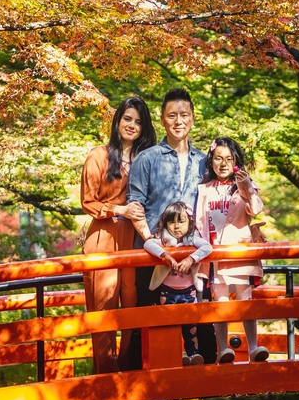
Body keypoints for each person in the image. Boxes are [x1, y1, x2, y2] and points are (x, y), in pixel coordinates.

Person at [124, 88, 208, 367]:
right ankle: (140, 382)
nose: (178, 121)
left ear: (192, 118)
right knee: (148, 322)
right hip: (153, 255)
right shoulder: (147, 158)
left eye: (184, 115)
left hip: (191, 257)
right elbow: (135, 204)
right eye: (172, 115)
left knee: (198, 324)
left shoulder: (204, 162)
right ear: (162, 119)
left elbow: (214, 202)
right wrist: (154, 242)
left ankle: (202, 381)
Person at [81, 96, 155, 373]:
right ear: (117, 121)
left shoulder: (145, 158)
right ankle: (106, 374)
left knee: (132, 304)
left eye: (138, 122)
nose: (132, 125)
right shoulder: (98, 156)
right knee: (104, 304)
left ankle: (129, 370)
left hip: (134, 238)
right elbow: (88, 202)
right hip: (104, 234)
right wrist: (119, 209)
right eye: (127, 119)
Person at [195, 137, 268, 363]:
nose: (223, 163)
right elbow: (199, 221)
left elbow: (256, 209)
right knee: (220, 301)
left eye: (228, 158)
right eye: (218, 158)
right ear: (211, 161)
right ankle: (223, 348)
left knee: (246, 299)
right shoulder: (204, 189)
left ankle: (253, 346)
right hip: (215, 253)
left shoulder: (244, 186)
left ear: (236, 161)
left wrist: (246, 187)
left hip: (240, 251)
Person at [144, 201, 212, 365]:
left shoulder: (192, 239)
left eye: (181, 221)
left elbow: (208, 247)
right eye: (171, 222)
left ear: (189, 223)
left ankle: (193, 354)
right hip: (168, 291)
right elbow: (148, 243)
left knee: (190, 325)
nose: (176, 227)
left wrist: (191, 259)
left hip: (189, 291)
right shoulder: (164, 240)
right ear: (165, 224)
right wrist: (165, 255)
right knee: (170, 323)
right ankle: (174, 356)